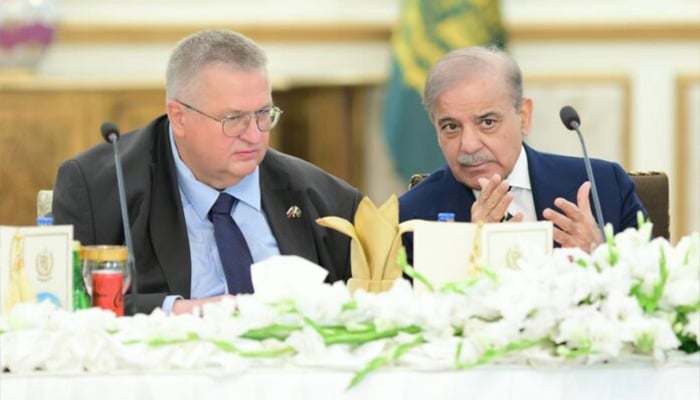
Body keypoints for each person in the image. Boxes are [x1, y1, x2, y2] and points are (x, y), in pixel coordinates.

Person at [52, 29, 362, 315]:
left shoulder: (330, 202)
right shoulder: (99, 189)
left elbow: (366, 306)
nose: (254, 135)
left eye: (263, 114)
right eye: (234, 118)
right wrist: (179, 310)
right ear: (179, 117)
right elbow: (71, 303)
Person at [399, 46, 647, 262]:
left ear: (524, 117)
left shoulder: (604, 187)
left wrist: (599, 255)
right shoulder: (412, 217)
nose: (469, 145)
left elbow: (655, 293)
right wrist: (469, 253)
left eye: (487, 122)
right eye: (451, 127)